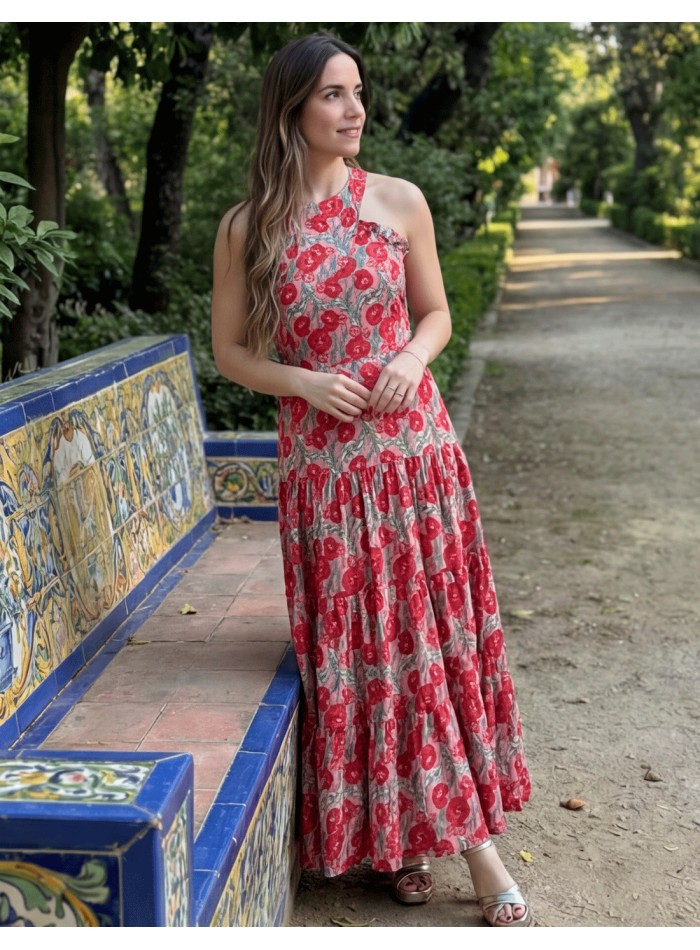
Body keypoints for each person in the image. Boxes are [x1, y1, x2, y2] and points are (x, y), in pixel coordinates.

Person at [211, 32, 532, 927]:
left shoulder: (398, 201)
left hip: (417, 458)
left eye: (358, 92)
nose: (354, 110)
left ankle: (475, 845)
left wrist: (408, 357)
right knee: (365, 656)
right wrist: (303, 381)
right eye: (332, 95)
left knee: (427, 645)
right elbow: (232, 352)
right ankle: (399, 839)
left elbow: (435, 312)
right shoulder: (248, 227)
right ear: (291, 110)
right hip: (325, 471)